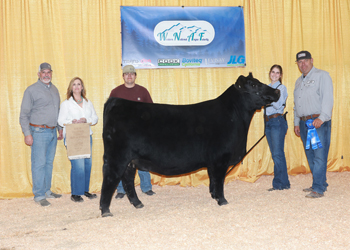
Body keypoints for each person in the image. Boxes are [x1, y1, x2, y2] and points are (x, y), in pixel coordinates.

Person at [19, 62, 63, 207]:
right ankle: (39, 195)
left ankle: (46, 190)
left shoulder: (55, 89)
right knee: (39, 164)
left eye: (48, 72)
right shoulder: (31, 90)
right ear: (38, 74)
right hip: (38, 131)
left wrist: (59, 128)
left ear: (51, 73)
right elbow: (24, 115)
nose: (46, 75)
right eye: (43, 72)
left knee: (48, 163)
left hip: (51, 131)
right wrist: (27, 133)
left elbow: (57, 111)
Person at [109, 65, 155, 199]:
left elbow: (151, 111)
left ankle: (146, 187)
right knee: (122, 161)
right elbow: (111, 113)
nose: (129, 76)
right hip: (122, 135)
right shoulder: (116, 92)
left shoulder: (143, 91)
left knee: (142, 160)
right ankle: (121, 189)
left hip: (140, 134)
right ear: (123, 76)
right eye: (126, 74)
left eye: (132, 74)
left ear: (135, 76)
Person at [294, 51, 333, 198]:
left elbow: (328, 98)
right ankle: (319, 182)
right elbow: (296, 104)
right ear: (297, 64)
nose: (303, 64)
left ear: (311, 60)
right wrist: (296, 122)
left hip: (318, 123)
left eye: (305, 61)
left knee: (319, 156)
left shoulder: (322, 76)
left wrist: (322, 118)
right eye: (300, 62)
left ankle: (318, 188)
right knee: (310, 155)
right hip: (304, 124)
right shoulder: (299, 81)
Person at [58, 77, 98, 202]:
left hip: (86, 136)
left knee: (87, 164)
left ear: (82, 87)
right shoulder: (66, 104)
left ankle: (85, 190)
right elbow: (60, 120)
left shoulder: (87, 102)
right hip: (73, 136)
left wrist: (87, 120)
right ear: (71, 88)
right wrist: (72, 121)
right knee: (78, 165)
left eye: (79, 84)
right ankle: (76, 193)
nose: (76, 86)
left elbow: (95, 118)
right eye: (74, 84)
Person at [265, 65, 290, 191]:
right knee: (276, 154)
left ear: (280, 75)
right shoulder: (267, 88)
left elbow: (278, 104)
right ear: (270, 73)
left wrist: (266, 98)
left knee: (277, 154)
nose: (274, 74)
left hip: (277, 121)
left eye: (277, 73)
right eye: (273, 72)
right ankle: (284, 183)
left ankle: (279, 184)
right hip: (269, 122)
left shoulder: (282, 88)